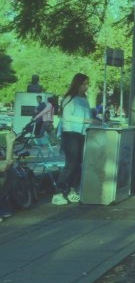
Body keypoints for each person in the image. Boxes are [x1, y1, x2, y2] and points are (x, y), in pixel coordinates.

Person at [52, 73, 95, 206]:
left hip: (82, 133)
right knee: (71, 163)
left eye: (87, 84)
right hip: (71, 133)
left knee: (78, 163)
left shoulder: (84, 99)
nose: (86, 87)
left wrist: (95, 121)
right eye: (84, 84)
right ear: (77, 84)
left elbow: (88, 114)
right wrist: (85, 120)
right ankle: (58, 192)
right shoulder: (70, 98)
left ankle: (71, 189)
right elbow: (67, 116)